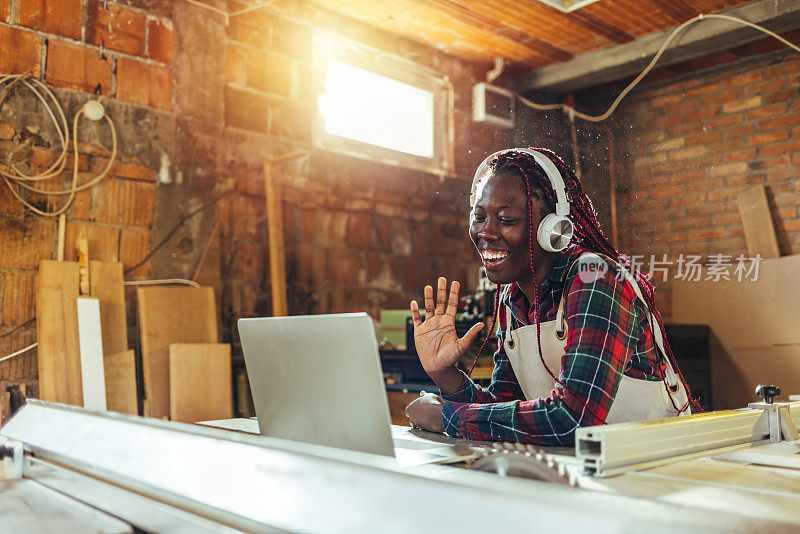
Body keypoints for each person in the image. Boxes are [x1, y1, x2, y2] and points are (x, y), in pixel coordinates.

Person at [405, 148, 696, 446]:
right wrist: (445, 374)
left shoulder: (595, 278)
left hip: (658, 469)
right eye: (479, 217)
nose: (486, 232)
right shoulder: (513, 297)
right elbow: (505, 407)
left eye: (506, 219)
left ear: (552, 229)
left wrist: (448, 418)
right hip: (594, 473)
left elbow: (572, 421)